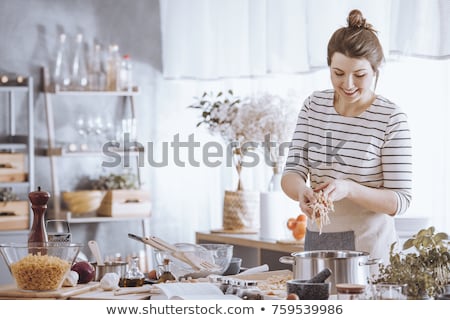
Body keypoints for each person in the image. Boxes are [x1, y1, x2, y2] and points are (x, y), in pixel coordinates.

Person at [281, 9, 412, 269]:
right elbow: (291, 174)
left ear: (375, 70)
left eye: (359, 75)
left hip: (371, 254)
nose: (348, 84)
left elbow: (400, 201)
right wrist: (302, 192)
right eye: (338, 73)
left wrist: (349, 188)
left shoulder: (391, 117)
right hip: (319, 245)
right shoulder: (314, 106)